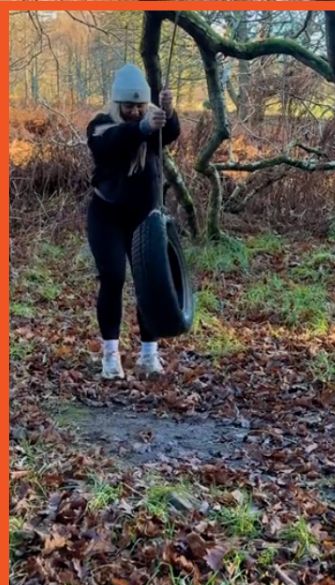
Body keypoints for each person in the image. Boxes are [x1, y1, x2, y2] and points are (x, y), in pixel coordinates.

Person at [85, 64, 181, 380]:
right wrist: (142, 127)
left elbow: (171, 134)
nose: (135, 111)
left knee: (149, 283)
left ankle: (148, 356)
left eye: (140, 106)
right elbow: (109, 144)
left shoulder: (152, 120)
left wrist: (169, 111)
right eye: (129, 106)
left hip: (144, 217)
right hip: (107, 215)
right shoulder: (101, 125)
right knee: (113, 277)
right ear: (117, 104)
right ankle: (111, 356)